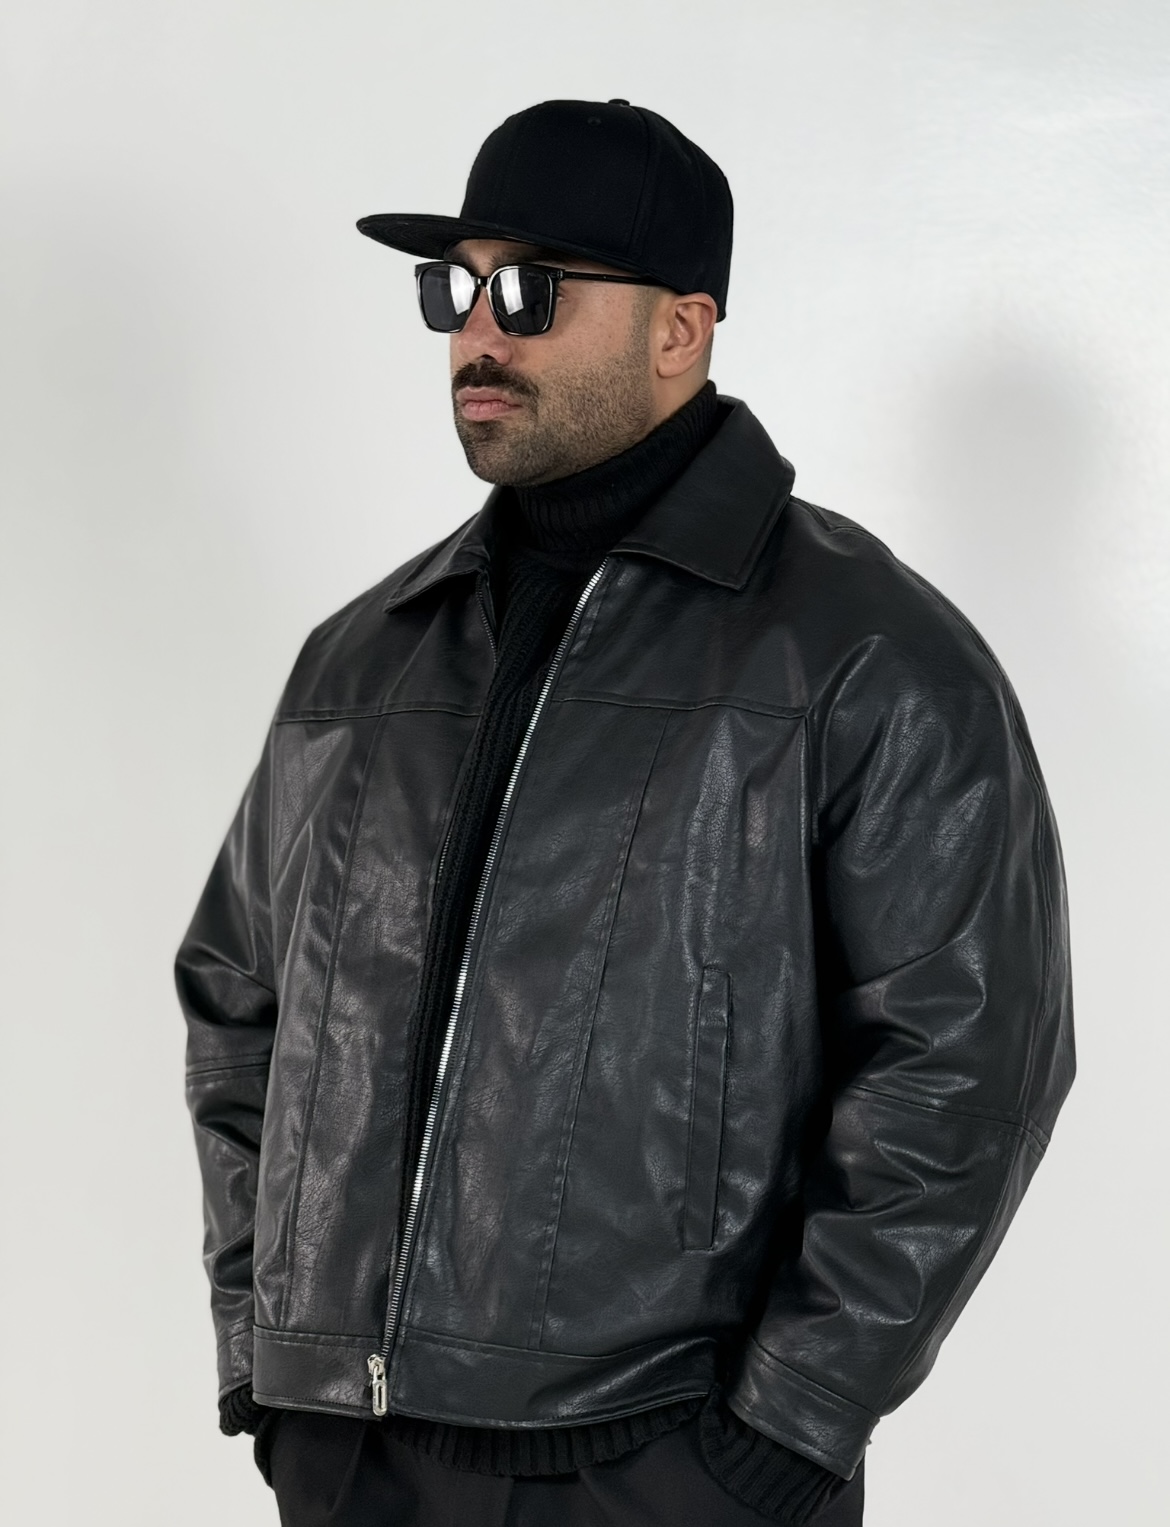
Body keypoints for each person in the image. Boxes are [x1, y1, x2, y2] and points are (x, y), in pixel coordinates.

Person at [177, 98, 1075, 1527]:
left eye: (531, 290)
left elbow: (968, 1066)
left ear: (680, 329)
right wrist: (265, 1353)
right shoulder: (360, 661)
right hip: (351, 1459)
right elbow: (238, 1006)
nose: (479, 335)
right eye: (456, 289)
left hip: (657, 1464)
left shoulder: (863, 656)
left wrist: (788, 1427)